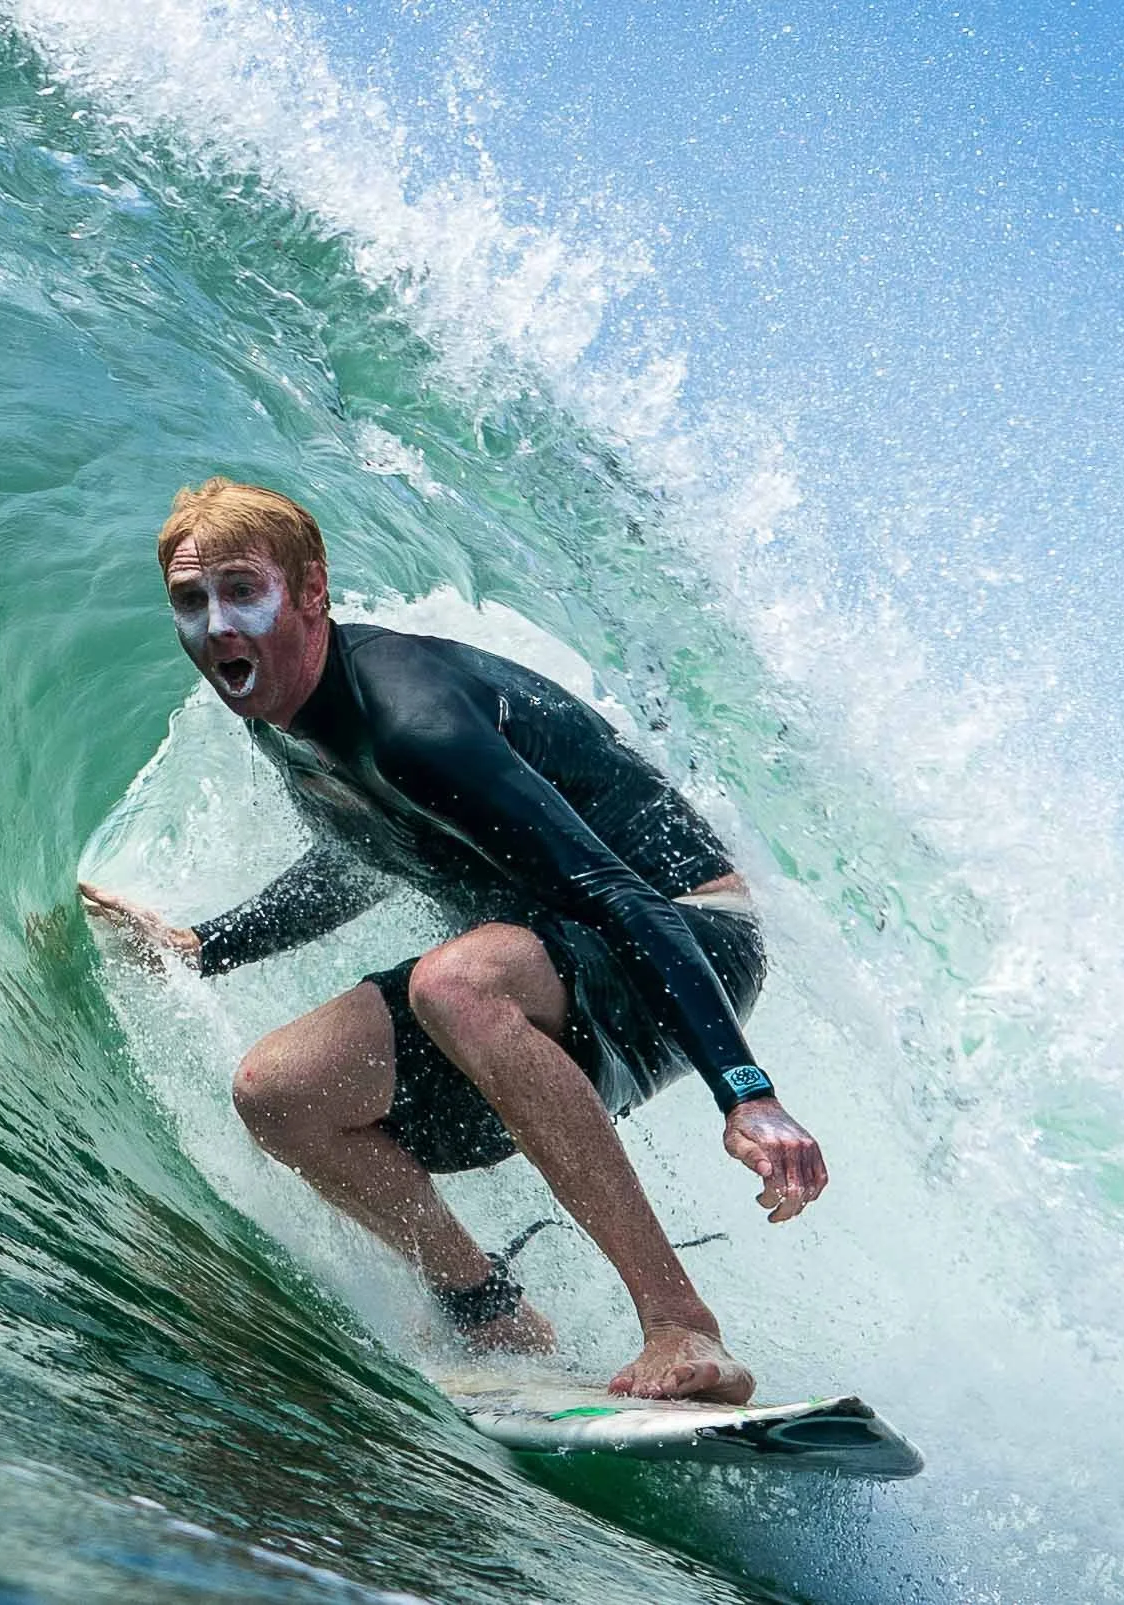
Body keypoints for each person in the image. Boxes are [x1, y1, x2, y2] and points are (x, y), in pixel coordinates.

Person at [80, 479, 828, 1403]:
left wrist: (747, 1094)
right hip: (563, 964)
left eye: (242, 590)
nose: (217, 625)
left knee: (457, 984)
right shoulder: (291, 719)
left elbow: (616, 893)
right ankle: (488, 1307)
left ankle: (681, 1324)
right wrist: (207, 945)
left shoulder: (412, 716)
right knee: (279, 1092)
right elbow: (365, 857)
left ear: (312, 592)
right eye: (191, 603)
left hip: (690, 937)